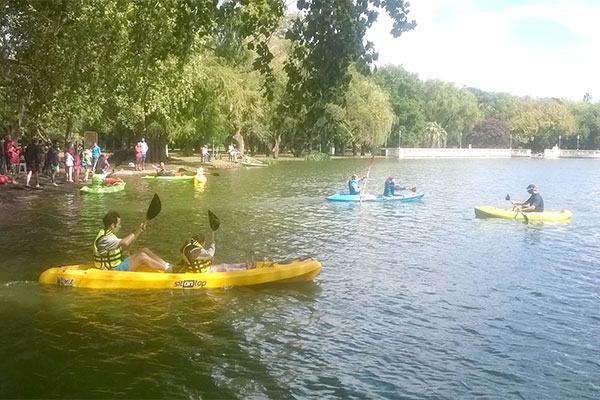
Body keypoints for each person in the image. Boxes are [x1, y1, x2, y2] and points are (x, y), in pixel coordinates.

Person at [93, 211, 172, 272]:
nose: (120, 226)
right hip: (113, 270)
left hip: (118, 264)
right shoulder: (105, 238)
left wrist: (122, 255)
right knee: (142, 256)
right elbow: (125, 243)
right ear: (113, 225)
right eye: (119, 224)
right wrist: (138, 230)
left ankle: (167, 265)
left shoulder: (106, 233)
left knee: (144, 250)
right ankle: (168, 270)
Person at [178, 233, 250, 273]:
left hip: (202, 270)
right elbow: (210, 254)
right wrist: (213, 245)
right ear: (201, 242)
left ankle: (244, 265)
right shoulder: (197, 251)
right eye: (204, 242)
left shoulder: (188, 248)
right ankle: (245, 269)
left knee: (223, 265)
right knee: (225, 269)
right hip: (204, 273)